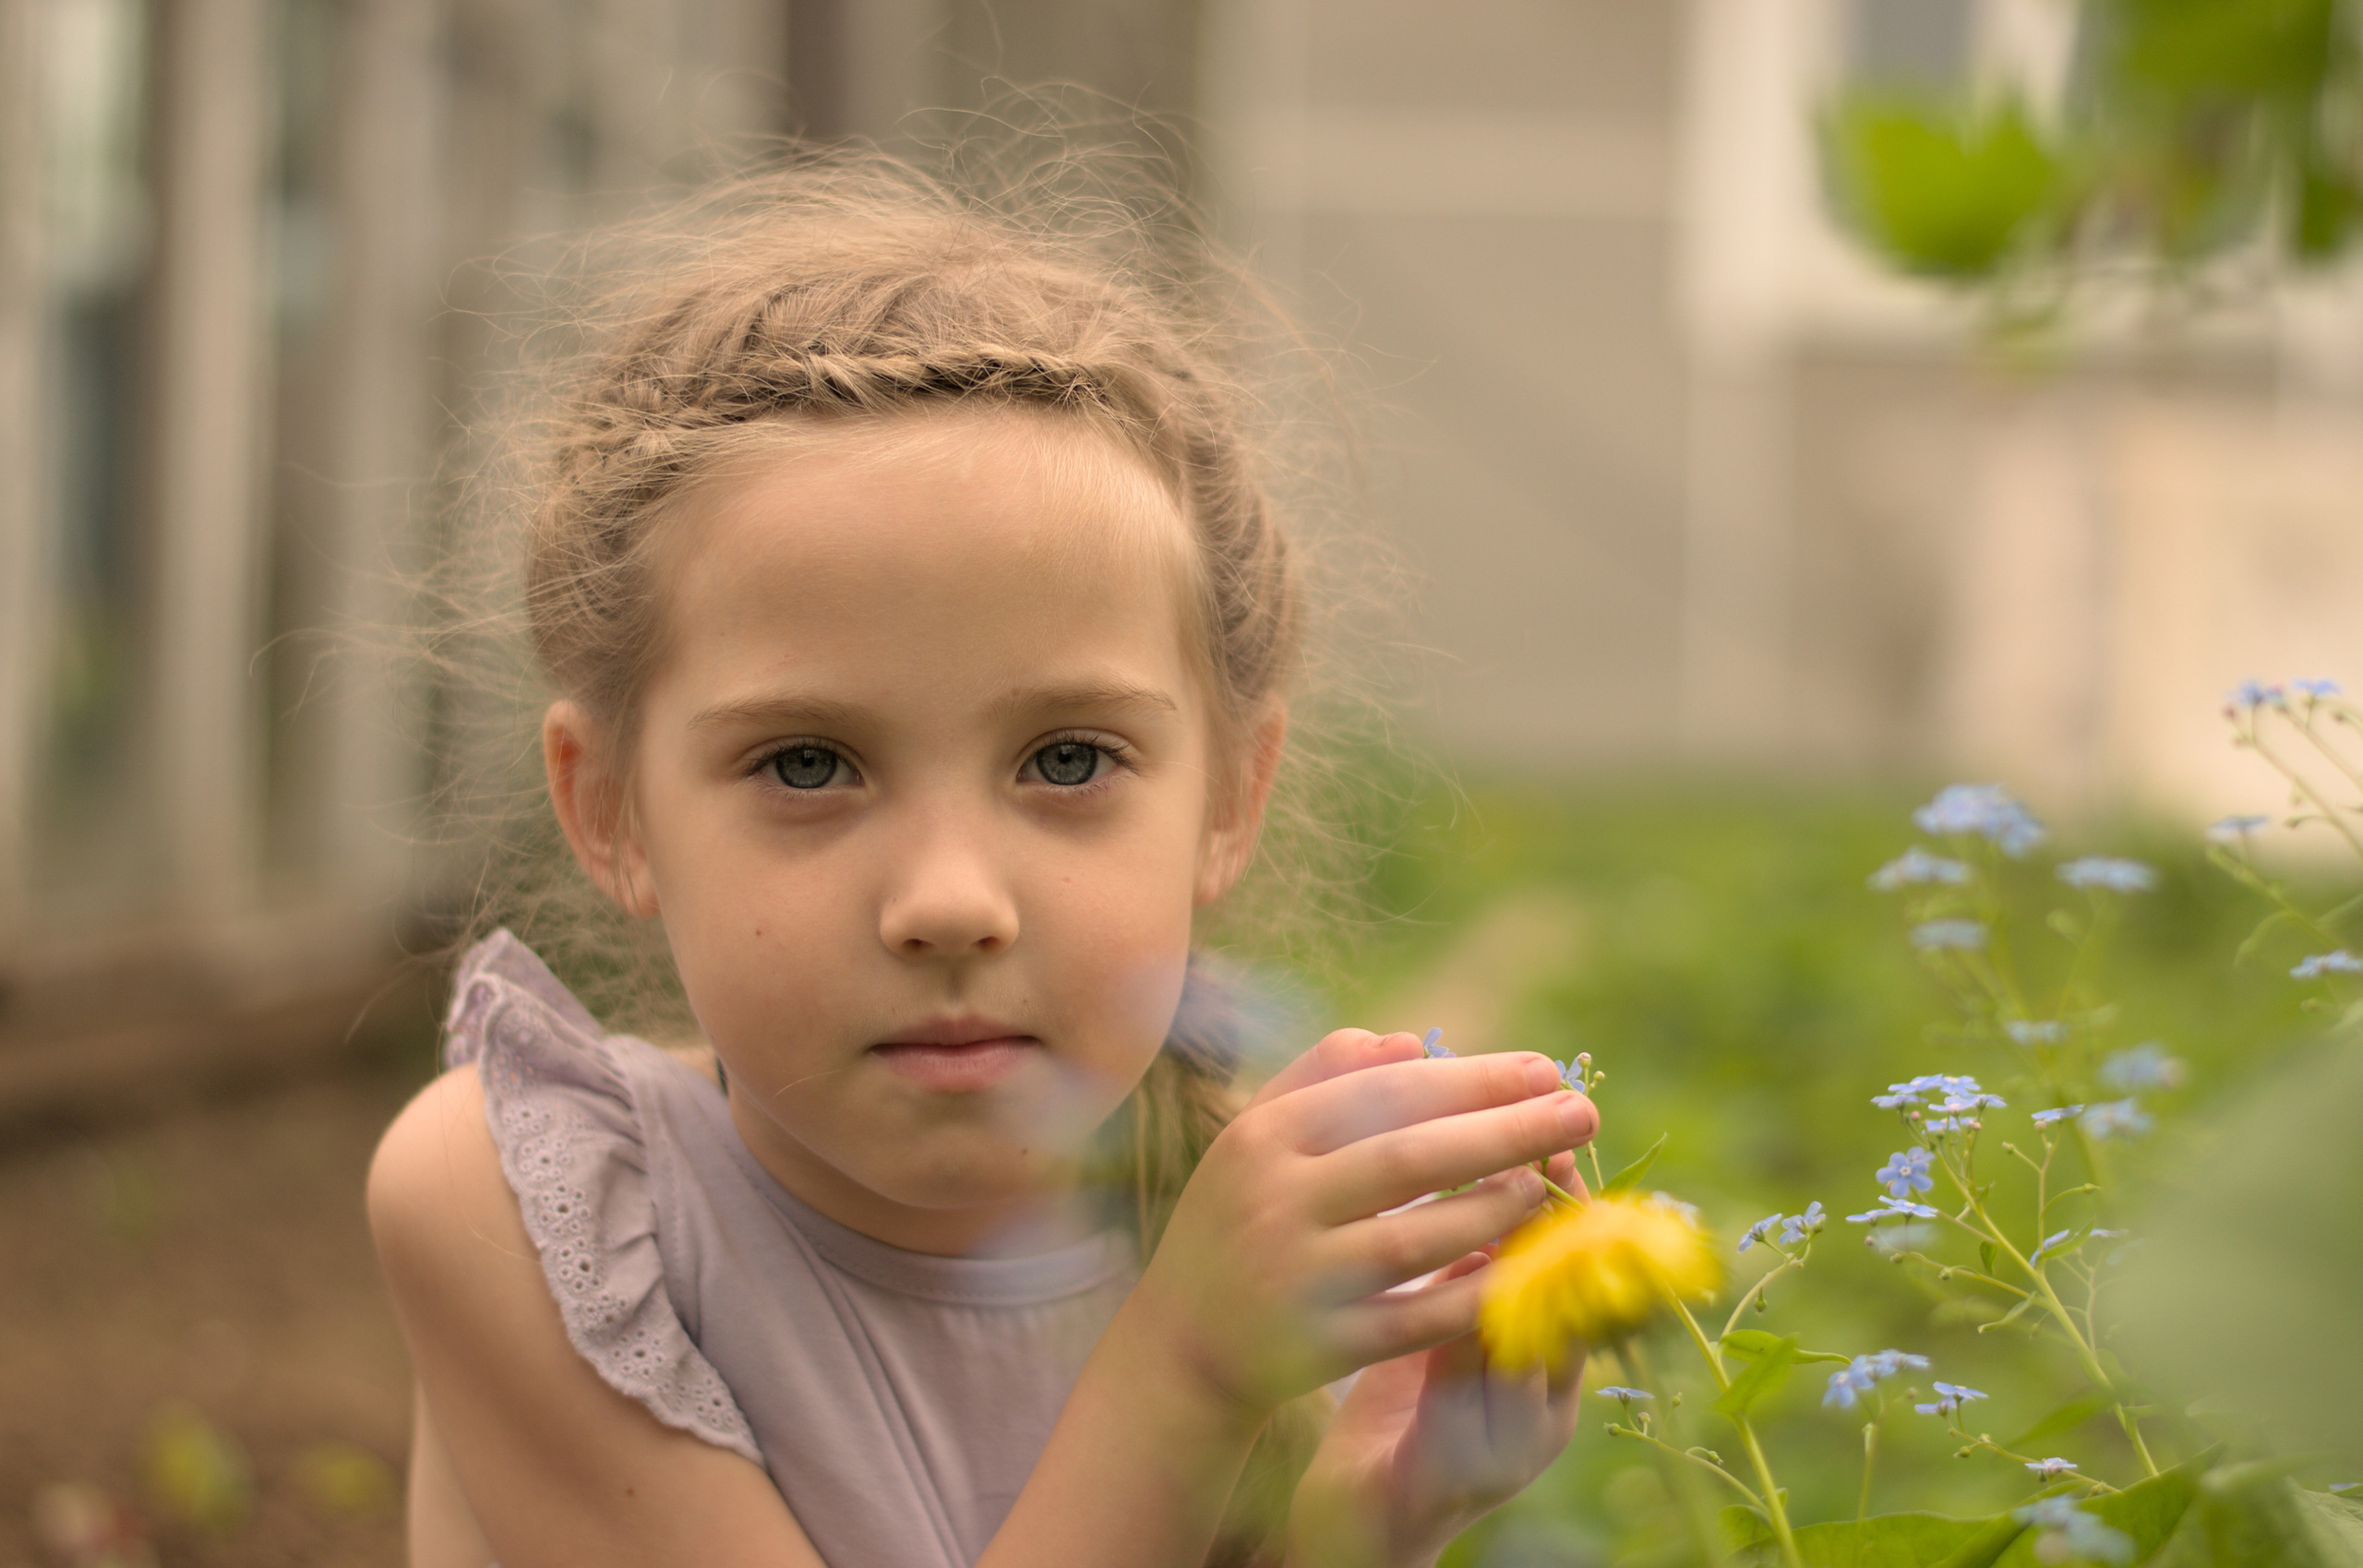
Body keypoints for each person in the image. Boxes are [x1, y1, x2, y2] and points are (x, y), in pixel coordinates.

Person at [366, 149, 1598, 1568]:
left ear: (1226, 801)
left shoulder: (1220, 1214)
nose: (949, 901)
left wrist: (1368, 1518)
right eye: (807, 765)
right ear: (612, 813)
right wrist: (1183, 1376)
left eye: (1067, 761)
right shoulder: (531, 1211)